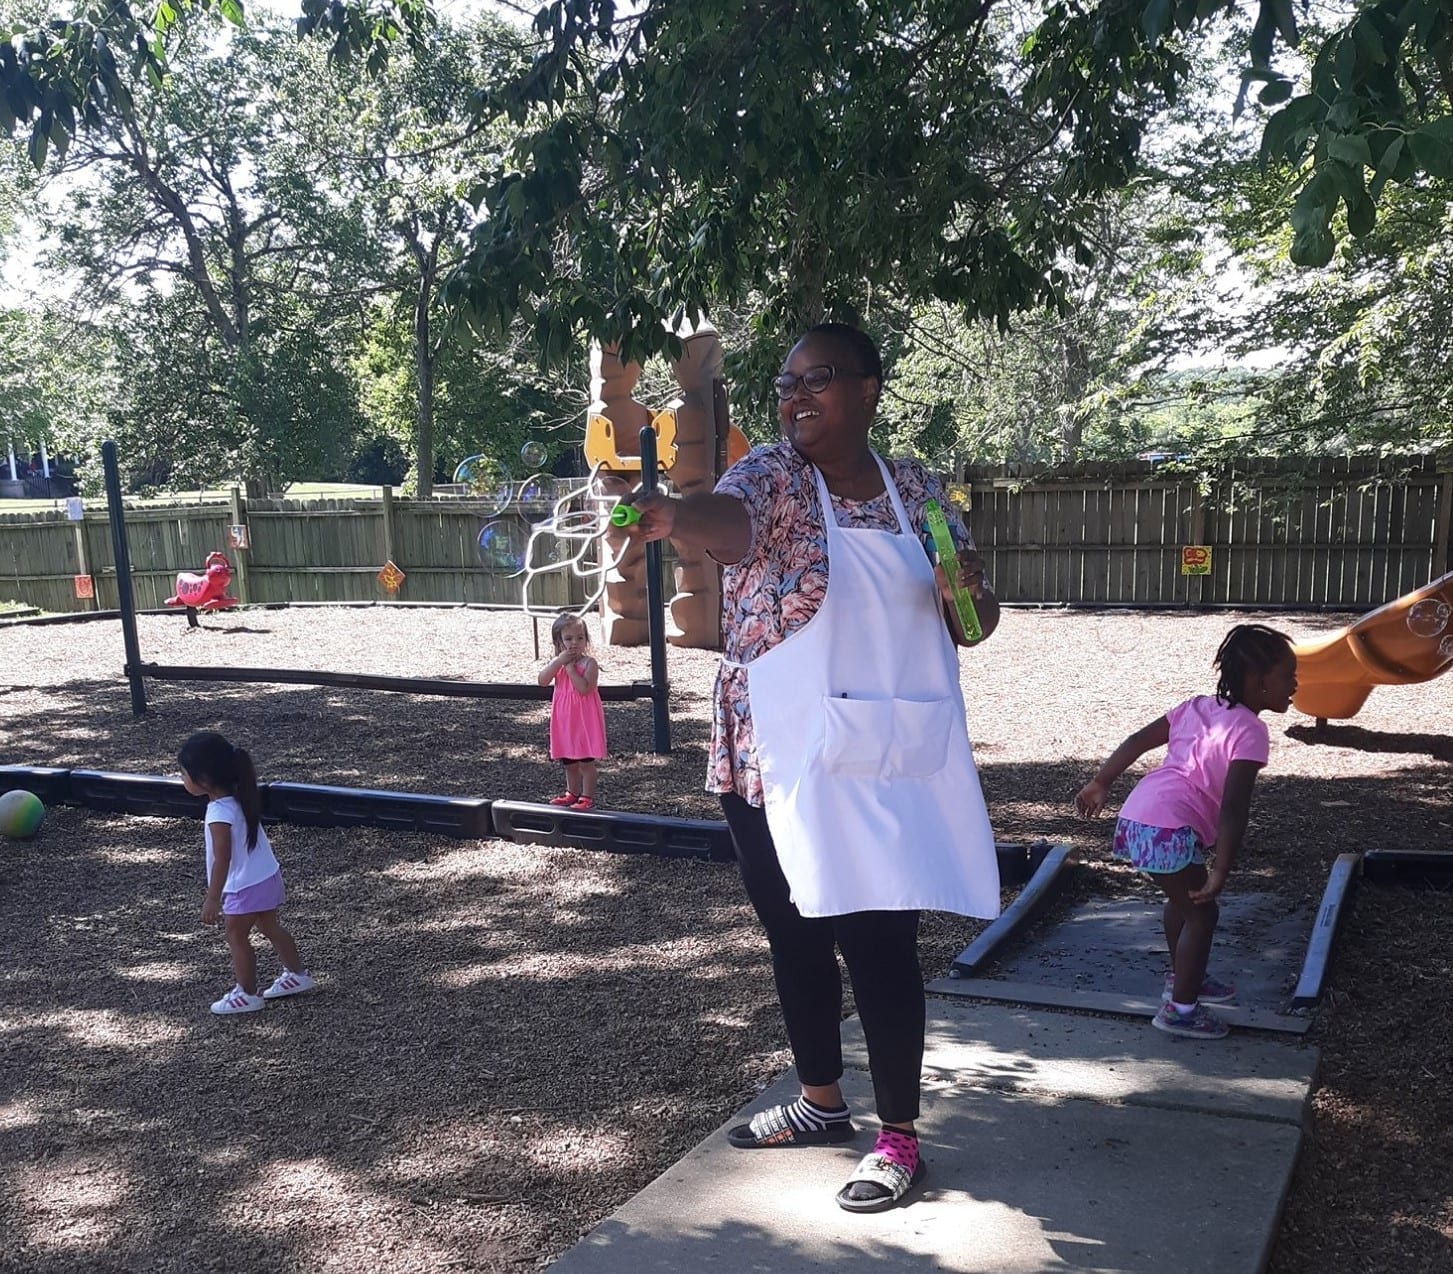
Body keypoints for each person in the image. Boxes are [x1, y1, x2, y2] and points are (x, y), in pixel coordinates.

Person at [621, 321, 1002, 1213]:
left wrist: (967, 596)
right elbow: (728, 522)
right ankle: (820, 1101)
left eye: (816, 378)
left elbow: (974, 624)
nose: (794, 396)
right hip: (772, 748)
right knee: (793, 930)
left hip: (883, 749)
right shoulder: (773, 476)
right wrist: (675, 516)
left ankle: (898, 1137)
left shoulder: (916, 490)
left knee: (878, 939)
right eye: (785, 383)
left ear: (868, 388)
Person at [1074, 623, 1297, 1039]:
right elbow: (1234, 808)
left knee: (1182, 903)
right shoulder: (1251, 731)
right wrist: (1221, 871)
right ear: (1259, 680)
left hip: (1140, 815)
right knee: (1202, 912)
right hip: (1168, 825)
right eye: (1288, 675)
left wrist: (1101, 782)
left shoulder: (1196, 707)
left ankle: (1185, 977)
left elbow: (1138, 739)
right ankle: (1180, 1010)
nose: (1295, 685)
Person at [179, 731, 314, 1015]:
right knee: (270, 926)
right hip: (266, 876)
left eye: (183, 773)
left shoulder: (219, 813)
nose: (181, 778)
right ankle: (297, 974)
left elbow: (222, 858)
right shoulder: (242, 797)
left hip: (243, 886)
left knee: (236, 936)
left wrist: (213, 898)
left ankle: (247, 993)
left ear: (203, 780)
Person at [538, 614, 607, 810]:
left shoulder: (589, 664)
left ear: (586, 640)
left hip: (584, 719)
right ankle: (572, 792)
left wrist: (570, 669)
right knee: (568, 760)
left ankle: (586, 796)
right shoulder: (557, 664)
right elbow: (542, 681)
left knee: (586, 761)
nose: (574, 643)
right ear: (558, 642)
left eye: (580, 638)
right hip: (565, 719)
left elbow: (584, 689)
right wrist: (558, 662)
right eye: (568, 639)